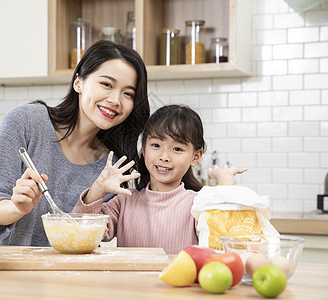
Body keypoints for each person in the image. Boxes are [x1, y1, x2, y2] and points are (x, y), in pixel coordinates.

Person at [0, 40, 150, 246]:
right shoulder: (26, 122)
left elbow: (87, 237)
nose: (116, 100)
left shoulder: (111, 168)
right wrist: (17, 208)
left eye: (128, 93)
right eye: (107, 84)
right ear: (78, 83)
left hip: (64, 275)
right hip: (3, 269)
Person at [72, 104, 246, 254]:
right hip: (131, 290)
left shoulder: (198, 204)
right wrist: (98, 188)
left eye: (177, 149)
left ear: (196, 157)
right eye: (156, 145)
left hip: (179, 290)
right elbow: (79, 234)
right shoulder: (124, 202)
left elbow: (229, 244)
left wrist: (226, 185)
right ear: (143, 149)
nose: (164, 156)